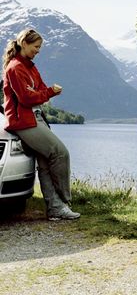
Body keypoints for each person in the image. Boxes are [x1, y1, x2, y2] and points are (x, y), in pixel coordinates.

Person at [2, 28, 80, 221]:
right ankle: (65, 200)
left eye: (39, 48)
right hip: (24, 121)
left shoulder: (30, 67)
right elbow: (27, 98)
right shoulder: (14, 68)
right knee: (60, 152)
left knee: (45, 163)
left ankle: (55, 209)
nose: (38, 51)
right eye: (36, 47)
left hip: (35, 118)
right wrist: (48, 93)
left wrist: (42, 92)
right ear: (24, 43)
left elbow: (40, 90)